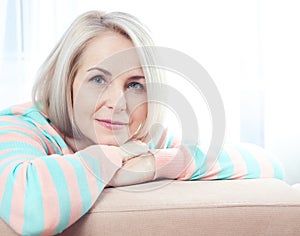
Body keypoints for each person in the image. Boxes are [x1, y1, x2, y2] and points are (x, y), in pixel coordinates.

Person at [0, 10, 284, 235]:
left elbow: (267, 164)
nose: (118, 103)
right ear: (67, 82)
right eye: (98, 79)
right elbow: (28, 204)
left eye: (135, 85)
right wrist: (116, 159)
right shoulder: (18, 126)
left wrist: (151, 164)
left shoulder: (144, 137)